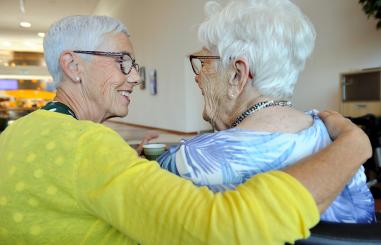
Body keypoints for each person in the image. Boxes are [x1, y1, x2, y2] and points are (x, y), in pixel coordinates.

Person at [0, 15, 372, 245]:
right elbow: (227, 228)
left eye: (134, 64)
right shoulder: (86, 148)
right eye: (123, 62)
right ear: (73, 66)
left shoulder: (19, 135)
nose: (135, 78)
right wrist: (355, 144)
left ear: (239, 76)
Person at [158, 0, 375, 224]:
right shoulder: (340, 142)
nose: (198, 75)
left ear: (237, 75)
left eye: (204, 62)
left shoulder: (188, 162)